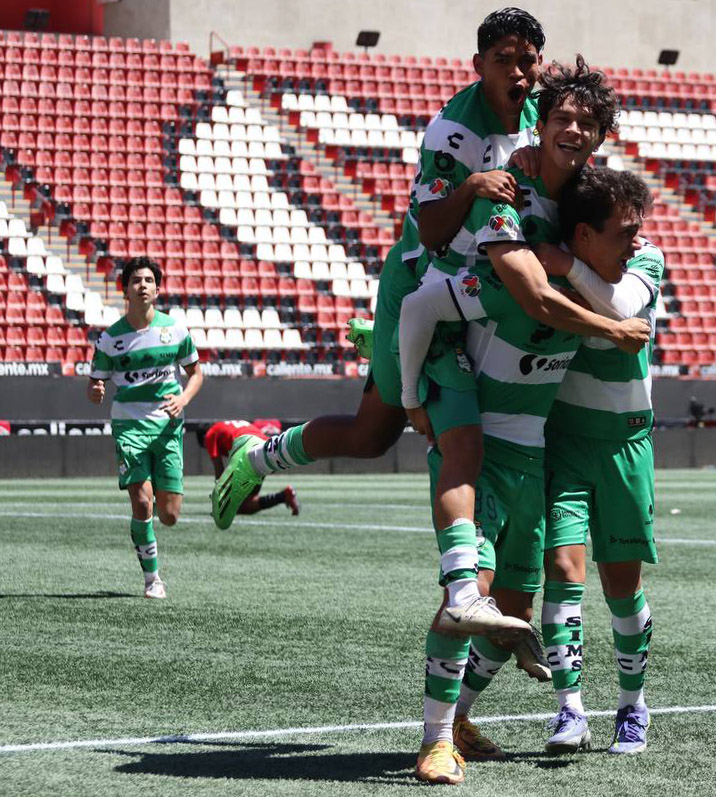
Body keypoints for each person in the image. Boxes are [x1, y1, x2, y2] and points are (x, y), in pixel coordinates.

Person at [399, 65, 648, 784]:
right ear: (539, 120)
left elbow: (617, 283)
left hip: (535, 452)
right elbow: (439, 302)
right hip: (483, 432)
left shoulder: (594, 232)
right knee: (464, 596)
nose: (573, 129)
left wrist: (575, 269)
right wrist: (414, 393)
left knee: (509, 607)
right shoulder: (505, 227)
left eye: (587, 123)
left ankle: (463, 721)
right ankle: (434, 740)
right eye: (561, 116)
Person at [212, 7, 548, 530]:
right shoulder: (454, 132)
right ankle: (256, 457)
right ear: (478, 64)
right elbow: (432, 230)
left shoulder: (541, 115)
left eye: (527, 61)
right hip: (423, 287)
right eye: (502, 59)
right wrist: (471, 187)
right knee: (375, 437)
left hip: (474, 286)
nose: (517, 72)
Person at [535, 169, 661, 756]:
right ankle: (570, 709)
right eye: (625, 230)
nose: (638, 239)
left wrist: (567, 268)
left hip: (626, 445)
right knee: (562, 568)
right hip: (566, 440)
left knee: (621, 586)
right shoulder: (549, 264)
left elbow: (620, 304)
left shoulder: (645, 262)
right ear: (584, 232)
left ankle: (633, 705)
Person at [88, 257, 203, 599]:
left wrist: (182, 400)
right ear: (124, 289)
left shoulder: (175, 330)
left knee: (169, 515)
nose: (142, 285)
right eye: (136, 280)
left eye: (148, 280)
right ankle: (153, 578)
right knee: (142, 503)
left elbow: (197, 374)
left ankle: (146, 534)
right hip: (129, 426)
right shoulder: (110, 339)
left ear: (157, 288)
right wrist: (96, 392)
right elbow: (94, 387)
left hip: (168, 427)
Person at [196, 420, 300, 518]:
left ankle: (282, 496)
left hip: (250, 454)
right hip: (268, 452)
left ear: (203, 438)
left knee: (240, 507)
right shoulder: (227, 426)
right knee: (247, 502)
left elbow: (219, 470)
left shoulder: (210, 434)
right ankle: (284, 496)